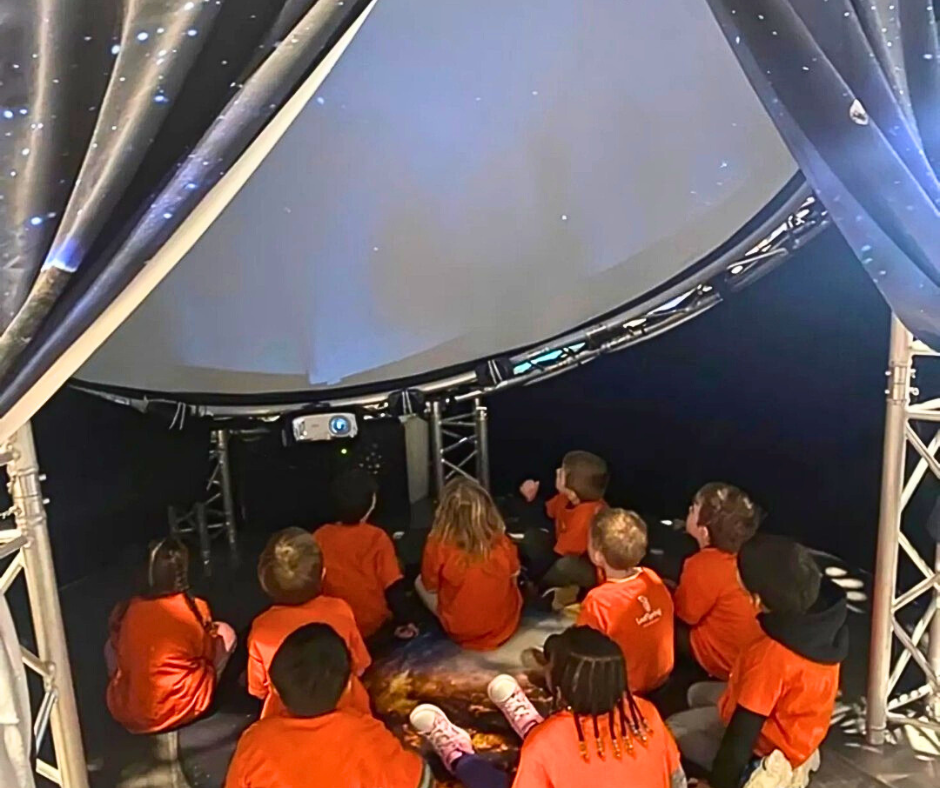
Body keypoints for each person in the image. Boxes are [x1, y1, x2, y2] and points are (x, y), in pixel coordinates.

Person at [667, 536, 848, 788]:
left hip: (768, 745)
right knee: (697, 693)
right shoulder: (824, 623)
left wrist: (717, 784)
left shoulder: (773, 656)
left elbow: (741, 736)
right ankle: (802, 754)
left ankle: (774, 773)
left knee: (672, 729)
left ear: (757, 600)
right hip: (799, 724)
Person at [411, 626, 686, 788]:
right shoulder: (645, 711)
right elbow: (677, 781)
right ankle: (529, 724)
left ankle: (459, 755)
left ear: (560, 687)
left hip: (546, 744)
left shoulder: (544, 746)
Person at [226, 624, 431, 787]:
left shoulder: (255, 741)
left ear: (276, 692)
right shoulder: (367, 735)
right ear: (349, 687)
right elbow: (421, 780)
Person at [106, 538, 237, 733]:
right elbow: (207, 652)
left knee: (110, 646)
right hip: (183, 707)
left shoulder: (128, 609)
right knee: (226, 633)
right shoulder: (194, 608)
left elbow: (117, 645)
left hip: (132, 714)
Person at [247, 528, 372, 718]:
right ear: (322, 574)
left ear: (264, 582)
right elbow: (360, 666)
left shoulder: (261, 628)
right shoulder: (339, 610)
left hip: (285, 717)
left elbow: (258, 690)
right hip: (347, 710)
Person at [575, 508, 674, 694]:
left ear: (597, 555)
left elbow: (584, 652)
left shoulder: (598, 601)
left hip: (626, 688)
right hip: (661, 676)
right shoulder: (651, 577)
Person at [417, 477, 522, 650]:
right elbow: (514, 576)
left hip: (461, 631)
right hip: (505, 626)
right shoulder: (502, 540)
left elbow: (430, 586)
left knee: (418, 582)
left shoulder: (437, 544)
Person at [314, 469, 418, 640]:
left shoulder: (319, 536)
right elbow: (393, 588)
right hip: (374, 626)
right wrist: (406, 620)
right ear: (372, 504)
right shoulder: (377, 538)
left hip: (335, 628)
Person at [674, 483, 762, 680]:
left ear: (704, 532)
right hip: (753, 660)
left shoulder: (703, 565)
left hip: (724, 661)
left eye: (693, 508)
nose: (689, 510)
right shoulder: (756, 557)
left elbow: (686, 615)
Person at [518, 451, 608, 596]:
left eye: (562, 473)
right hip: (563, 551)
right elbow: (545, 512)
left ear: (572, 490)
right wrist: (531, 499)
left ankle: (540, 590)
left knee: (566, 566)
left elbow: (561, 555)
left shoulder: (587, 516)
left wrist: (537, 576)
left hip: (588, 566)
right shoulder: (565, 498)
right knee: (533, 538)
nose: (557, 471)